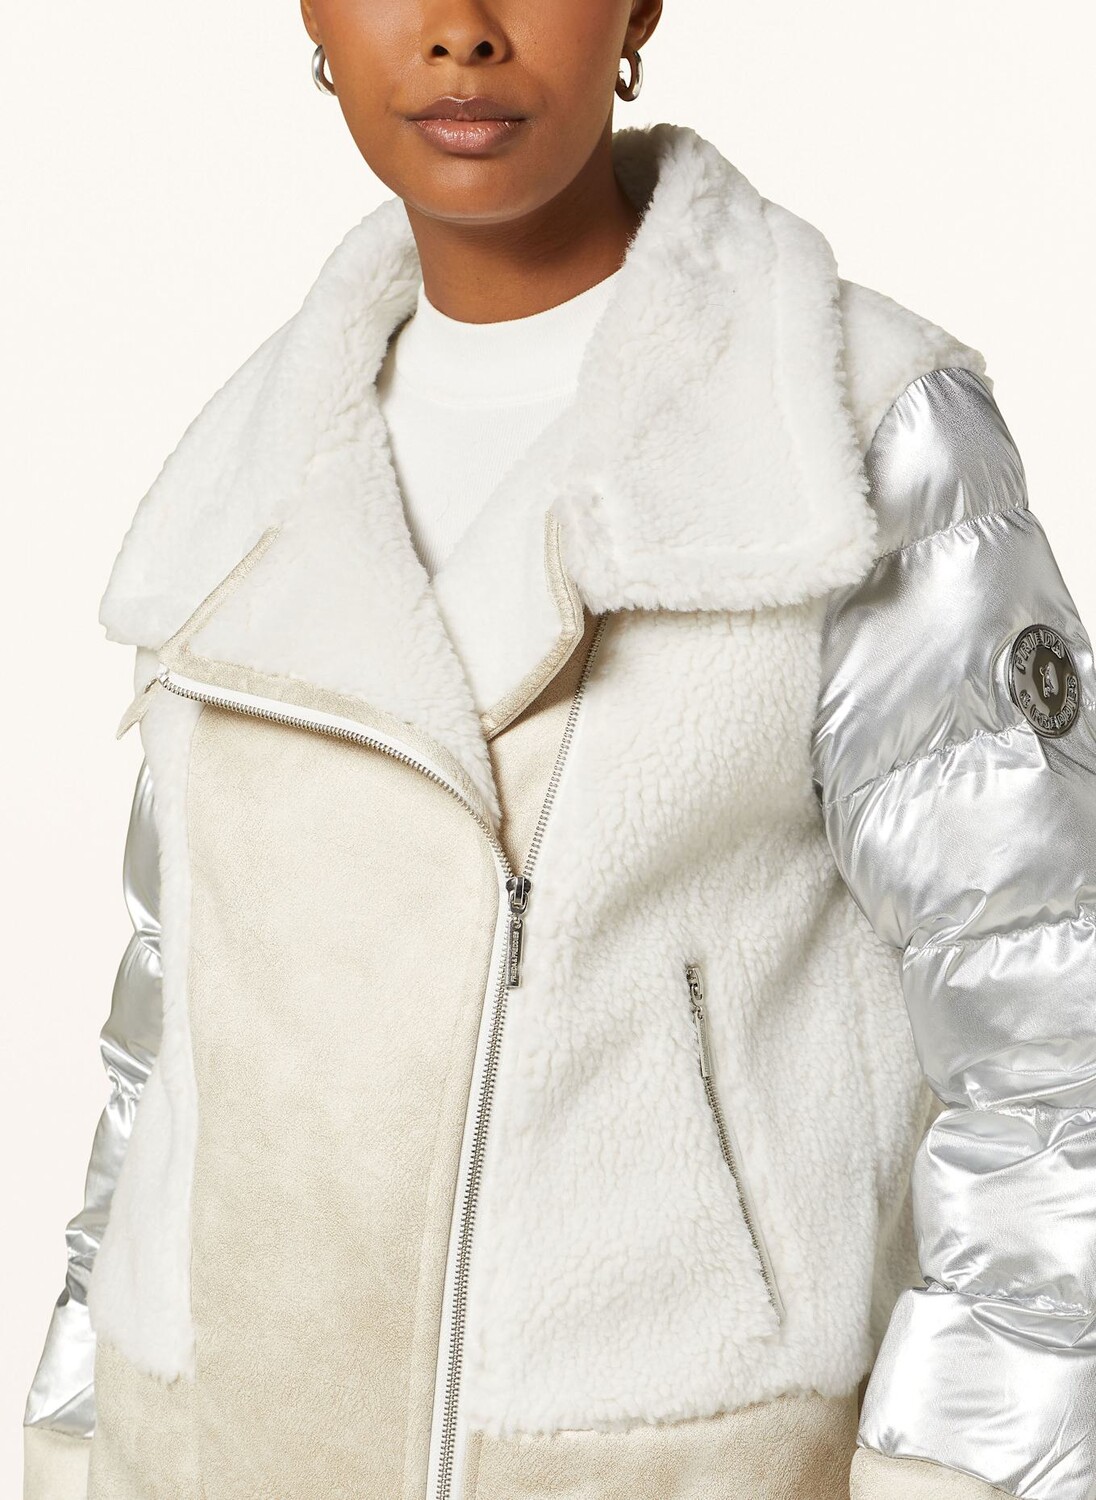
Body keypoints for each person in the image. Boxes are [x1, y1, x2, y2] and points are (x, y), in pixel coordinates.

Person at [22, 2, 1096, 1497]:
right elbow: (159, 1040)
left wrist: (959, 1468)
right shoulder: (246, 465)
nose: (459, 31)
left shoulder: (843, 422)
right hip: (208, 1453)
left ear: (639, 6)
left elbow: (1052, 1033)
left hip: (665, 1464)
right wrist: (77, 1422)